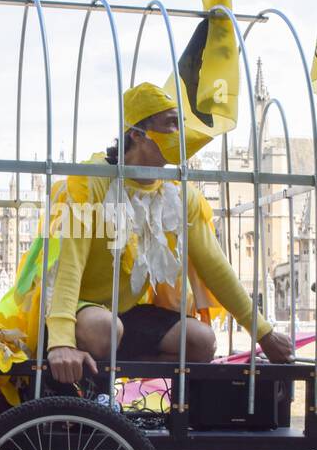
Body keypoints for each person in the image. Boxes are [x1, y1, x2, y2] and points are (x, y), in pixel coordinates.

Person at [44, 82, 295, 386]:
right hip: (78, 311)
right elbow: (68, 267)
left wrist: (263, 333)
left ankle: (112, 378)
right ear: (137, 134)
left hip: (125, 313)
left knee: (201, 341)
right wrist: (59, 340)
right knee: (104, 328)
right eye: (171, 124)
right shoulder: (90, 183)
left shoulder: (180, 195)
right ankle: (91, 391)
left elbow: (216, 267)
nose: (180, 133)